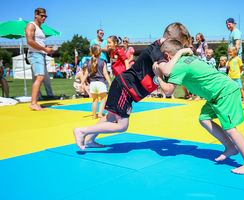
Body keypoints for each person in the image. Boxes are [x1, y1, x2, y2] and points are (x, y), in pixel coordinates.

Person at [73, 22, 190, 150]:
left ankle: (89, 140)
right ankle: (82, 131)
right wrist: (181, 54)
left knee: (111, 117)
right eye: (177, 44)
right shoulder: (159, 52)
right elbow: (167, 71)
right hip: (125, 87)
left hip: (125, 86)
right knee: (122, 126)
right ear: (170, 39)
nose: (177, 48)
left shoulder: (158, 47)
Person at [153, 39, 244, 175]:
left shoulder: (179, 66)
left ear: (168, 56)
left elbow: (168, 91)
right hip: (216, 94)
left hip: (223, 92)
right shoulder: (189, 57)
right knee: (204, 118)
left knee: (230, 129)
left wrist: (158, 77)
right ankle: (230, 147)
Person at [25, 8, 55, 111]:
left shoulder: (40, 28)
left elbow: (39, 42)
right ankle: (33, 103)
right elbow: (29, 41)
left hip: (40, 54)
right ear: (36, 15)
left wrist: (47, 50)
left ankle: (35, 101)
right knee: (40, 78)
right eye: (42, 16)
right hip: (35, 54)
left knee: (38, 78)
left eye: (45, 16)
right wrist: (44, 49)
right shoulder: (31, 25)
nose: (44, 18)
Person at [82, 45, 111, 120]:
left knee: (94, 100)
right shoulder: (102, 62)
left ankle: (94, 115)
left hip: (93, 84)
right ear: (100, 53)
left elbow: (85, 74)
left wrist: (82, 83)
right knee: (103, 99)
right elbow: (105, 73)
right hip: (101, 83)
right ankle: (100, 114)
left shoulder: (88, 63)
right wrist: (109, 82)